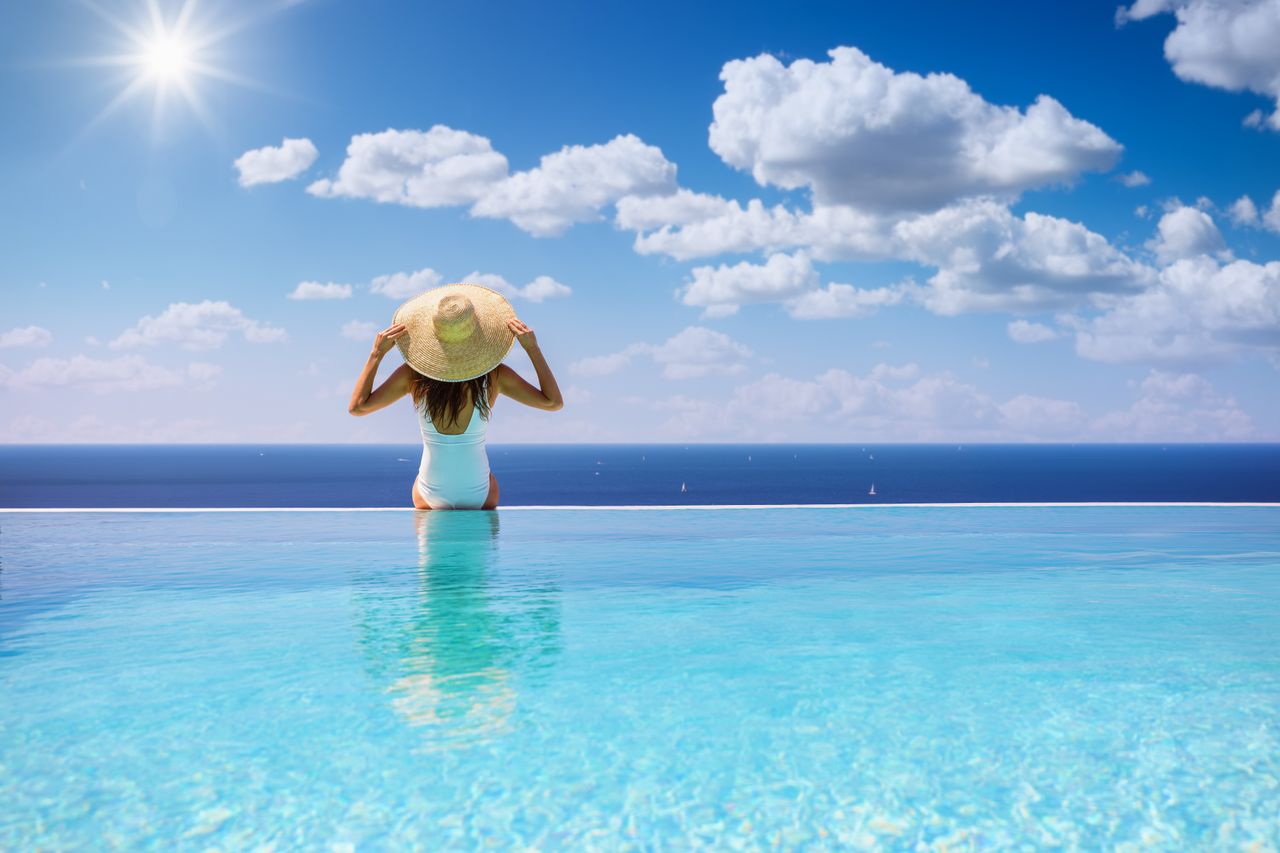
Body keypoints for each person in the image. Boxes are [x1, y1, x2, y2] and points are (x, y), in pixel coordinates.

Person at [347, 283, 563, 510]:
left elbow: (358, 407)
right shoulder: (495, 376)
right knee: (487, 489)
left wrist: (376, 354)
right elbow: (553, 402)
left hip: (429, 494)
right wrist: (532, 349)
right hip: (480, 495)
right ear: (477, 332)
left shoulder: (412, 376)